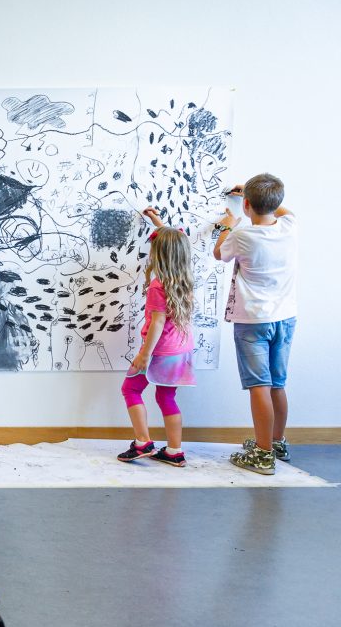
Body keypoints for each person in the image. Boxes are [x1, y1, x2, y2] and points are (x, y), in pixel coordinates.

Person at [214, 174, 297, 475]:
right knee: (277, 383)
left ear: (246, 204)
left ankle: (262, 456)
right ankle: (276, 443)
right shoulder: (289, 227)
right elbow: (284, 211)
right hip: (285, 318)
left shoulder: (242, 236)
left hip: (253, 321)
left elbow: (218, 253)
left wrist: (228, 223)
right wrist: (256, 196)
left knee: (259, 385)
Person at [117, 209, 196, 467]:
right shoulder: (185, 279)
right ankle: (174, 451)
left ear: (158, 255)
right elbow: (174, 241)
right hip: (180, 351)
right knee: (166, 397)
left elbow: (158, 323)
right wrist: (157, 222)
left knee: (130, 389)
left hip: (159, 352)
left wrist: (144, 355)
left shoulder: (157, 285)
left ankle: (143, 442)